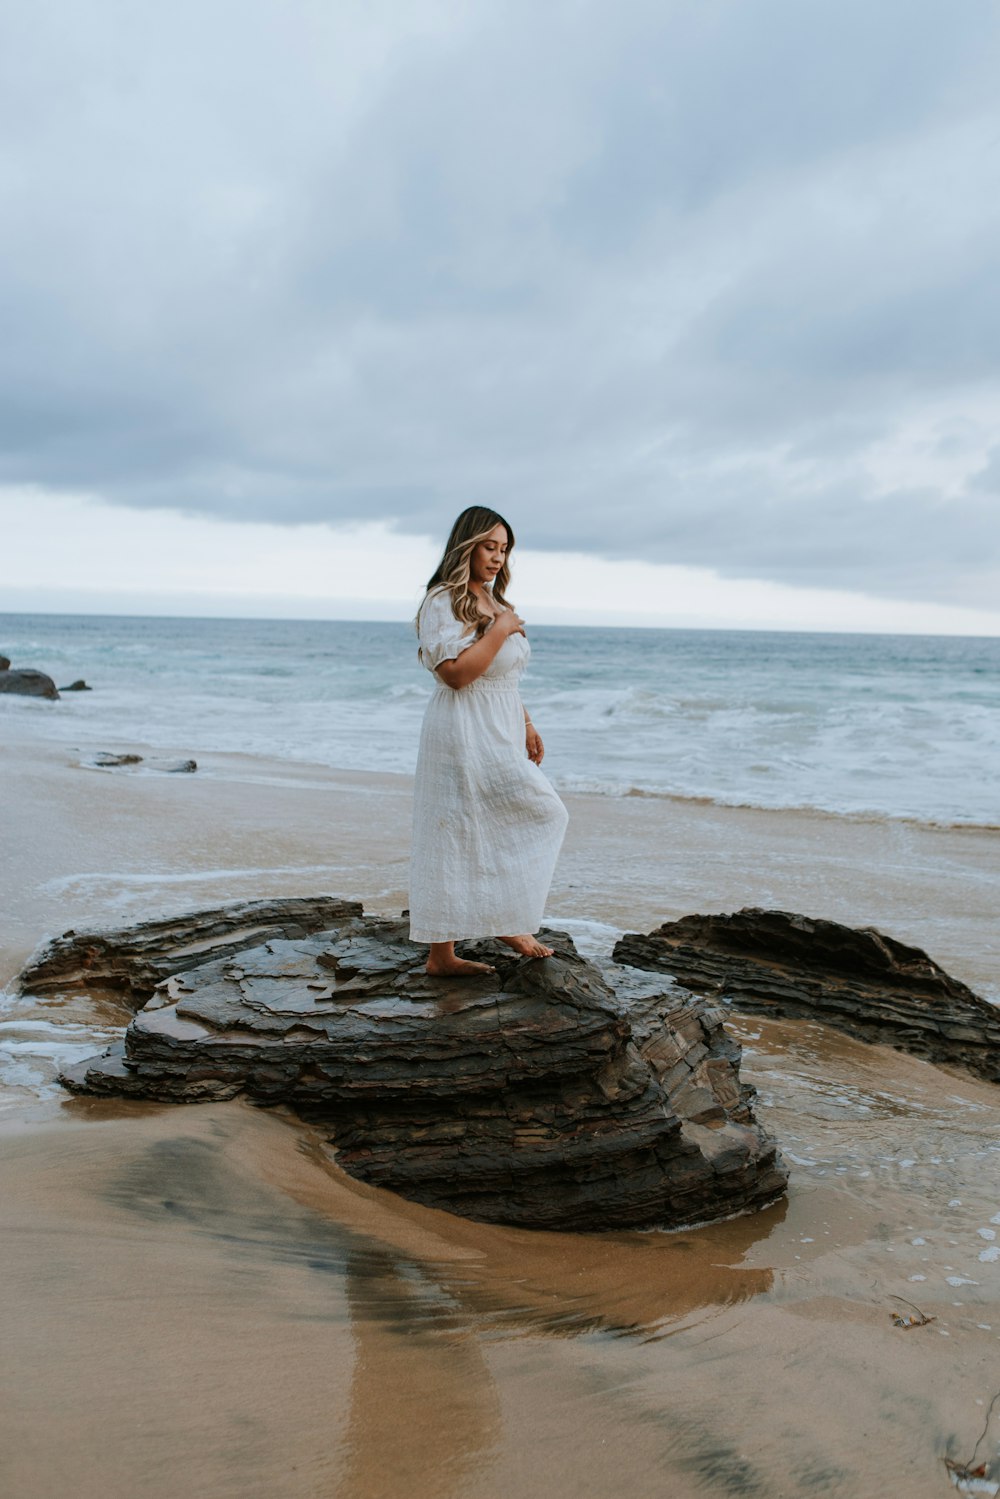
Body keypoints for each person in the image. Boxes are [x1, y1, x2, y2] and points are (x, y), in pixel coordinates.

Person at [409, 506, 569, 976]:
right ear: (467, 545)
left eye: (504, 549)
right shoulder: (444, 600)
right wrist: (499, 631)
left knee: (534, 813)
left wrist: (526, 722)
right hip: (460, 728)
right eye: (489, 547)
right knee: (453, 828)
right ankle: (443, 956)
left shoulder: (497, 602)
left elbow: (504, 677)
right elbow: (456, 675)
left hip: (498, 725)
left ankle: (505, 916)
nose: (498, 557)